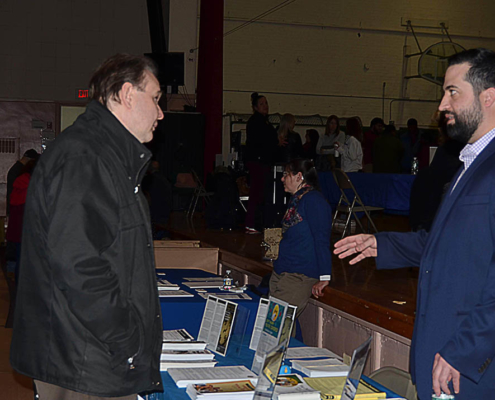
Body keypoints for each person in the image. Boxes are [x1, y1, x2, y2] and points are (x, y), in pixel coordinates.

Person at [334, 48, 495, 400]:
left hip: (469, 367)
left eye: (453, 92)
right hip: (441, 357)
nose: (441, 105)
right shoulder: (468, 165)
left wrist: (464, 351)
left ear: (488, 97)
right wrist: (382, 244)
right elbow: (441, 244)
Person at [10, 54, 165, 399]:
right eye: (155, 99)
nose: (160, 113)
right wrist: (127, 341)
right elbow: (80, 266)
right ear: (127, 95)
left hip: (90, 354)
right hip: (84, 360)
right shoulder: (86, 158)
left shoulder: (106, 157)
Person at [270, 158, 332, 324]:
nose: (282, 179)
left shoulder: (313, 201)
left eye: (286, 174)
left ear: (299, 176)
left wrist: (325, 276)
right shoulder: (298, 199)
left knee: (274, 326)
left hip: (299, 275)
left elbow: (322, 239)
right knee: (279, 331)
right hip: (283, 272)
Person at [244, 92, 278, 233]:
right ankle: (252, 223)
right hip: (258, 162)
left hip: (262, 161)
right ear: (256, 107)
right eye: (262, 104)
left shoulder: (264, 122)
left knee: (260, 193)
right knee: (257, 192)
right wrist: (276, 141)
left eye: (266, 103)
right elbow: (263, 141)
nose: (265, 106)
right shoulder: (256, 122)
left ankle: (257, 222)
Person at [5, 158, 37, 285]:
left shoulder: (18, 183)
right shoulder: (32, 186)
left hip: (16, 229)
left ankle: (18, 285)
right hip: (27, 230)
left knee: (19, 259)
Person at [6, 148, 39, 215]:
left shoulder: (16, 169)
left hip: (14, 206)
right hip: (18, 207)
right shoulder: (20, 171)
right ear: (29, 160)